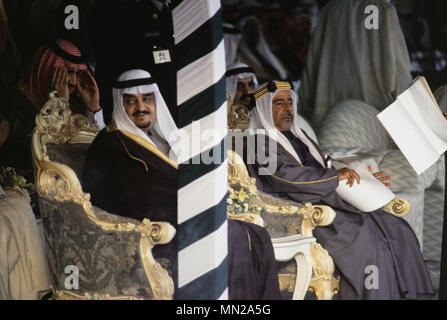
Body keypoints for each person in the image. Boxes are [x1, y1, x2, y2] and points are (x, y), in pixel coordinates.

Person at [83, 69, 280, 300]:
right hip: (146, 235)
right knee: (230, 234)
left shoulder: (163, 138)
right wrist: (197, 206)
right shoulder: (110, 144)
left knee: (257, 234)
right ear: (120, 102)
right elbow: (134, 196)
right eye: (131, 101)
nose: (141, 107)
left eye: (147, 99)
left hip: (180, 220)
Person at [243, 80, 435, 299]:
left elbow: (321, 168)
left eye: (289, 102)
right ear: (264, 108)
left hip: (329, 201)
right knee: (367, 241)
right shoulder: (257, 142)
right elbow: (286, 177)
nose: (287, 108)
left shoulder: (298, 136)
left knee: (397, 228)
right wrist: (335, 177)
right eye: (279, 103)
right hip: (303, 211)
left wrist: (365, 179)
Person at [0, 39, 105, 192]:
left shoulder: (75, 106)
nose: (74, 81)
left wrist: (94, 109)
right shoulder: (14, 105)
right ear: (46, 68)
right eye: (68, 72)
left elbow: (100, 156)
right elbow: (48, 159)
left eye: (78, 74)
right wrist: (57, 108)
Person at [299, 0, 412, 129]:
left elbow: (310, 75)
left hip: (328, 124)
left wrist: (305, 115)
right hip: (375, 124)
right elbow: (400, 72)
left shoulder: (329, 10)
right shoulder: (383, 9)